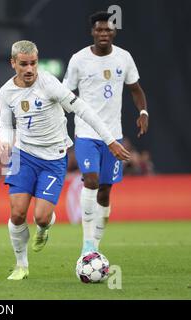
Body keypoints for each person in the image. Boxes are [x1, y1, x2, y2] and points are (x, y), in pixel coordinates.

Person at [0, 40, 130, 280]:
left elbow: (84, 110)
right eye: (24, 64)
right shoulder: (6, 91)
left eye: (33, 63)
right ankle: (21, 265)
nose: (29, 69)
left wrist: (110, 140)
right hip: (24, 155)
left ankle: (44, 227)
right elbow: (6, 124)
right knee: (17, 213)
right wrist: (5, 141)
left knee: (41, 217)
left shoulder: (49, 84)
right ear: (13, 64)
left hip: (53, 158)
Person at [63, 11, 148, 255]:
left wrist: (144, 112)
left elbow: (136, 89)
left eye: (108, 30)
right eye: (99, 30)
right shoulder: (79, 60)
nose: (103, 34)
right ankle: (86, 245)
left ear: (114, 32)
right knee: (90, 179)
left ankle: (95, 247)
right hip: (86, 133)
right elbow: (65, 93)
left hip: (114, 134)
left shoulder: (124, 58)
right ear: (92, 32)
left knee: (105, 190)